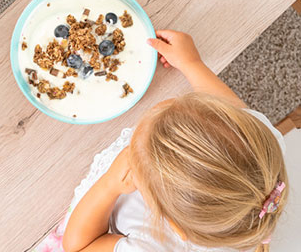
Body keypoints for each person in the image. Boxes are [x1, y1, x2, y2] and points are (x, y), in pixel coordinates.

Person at [38, 30, 287, 252]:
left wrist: (109, 185)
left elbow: (79, 246)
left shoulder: (153, 245)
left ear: (174, 225)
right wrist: (192, 64)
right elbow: (230, 110)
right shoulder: (261, 145)